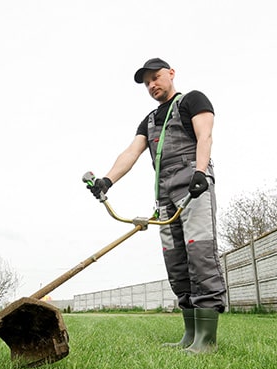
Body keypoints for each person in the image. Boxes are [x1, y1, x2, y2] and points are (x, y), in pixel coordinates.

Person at [87, 58, 226, 353]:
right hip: (165, 198)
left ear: (171, 74)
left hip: (193, 188)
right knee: (176, 263)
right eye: (147, 82)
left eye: (156, 77)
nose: (152, 84)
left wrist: (201, 171)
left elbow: (205, 135)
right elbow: (131, 152)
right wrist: (107, 181)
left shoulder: (192, 100)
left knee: (200, 256)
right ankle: (190, 334)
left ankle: (207, 340)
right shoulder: (149, 120)